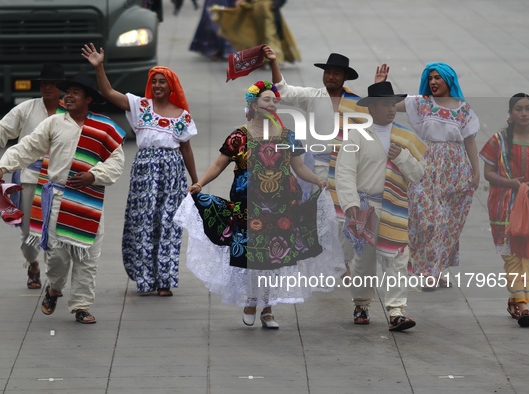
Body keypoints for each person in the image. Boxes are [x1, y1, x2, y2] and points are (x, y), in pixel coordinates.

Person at [174, 80, 345, 329]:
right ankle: (251, 301)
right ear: (253, 104)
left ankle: (268, 309)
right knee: (252, 257)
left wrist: (318, 179)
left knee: (274, 257)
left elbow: (298, 167)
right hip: (247, 206)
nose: (272, 104)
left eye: (275, 101)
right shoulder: (239, 136)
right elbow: (218, 165)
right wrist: (199, 183)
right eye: (267, 100)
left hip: (280, 206)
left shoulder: (287, 136)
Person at [0, 73, 126, 324]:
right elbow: (28, 146)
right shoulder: (54, 123)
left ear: (88, 99)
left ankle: (81, 306)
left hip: (89, 200)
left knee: (87, 256)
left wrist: (94, 175)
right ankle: (54, 288)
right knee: (57, 257)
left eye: (75, 92)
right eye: (68, 92)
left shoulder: (105, 128)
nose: (69, 96)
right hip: (56, 198)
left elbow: (116, 163)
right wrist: (4, 165)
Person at [82, 43, 198, 297]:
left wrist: (196, 182)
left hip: (172, 171)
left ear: (171, 87)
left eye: (162, 82)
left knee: (169, 223)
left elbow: (186, 150)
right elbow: (109, 92)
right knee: (143, 221)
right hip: (145, 170)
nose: (157, 86)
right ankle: (145, 278)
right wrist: (99, 67)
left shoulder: (182, 116)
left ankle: (164, 280)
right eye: (153, 81)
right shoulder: (140, 106)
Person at [265, 46, 386, 277]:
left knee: (343, 217)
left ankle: (342, 261)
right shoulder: (313, 96)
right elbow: (283, 91)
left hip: (347, 168)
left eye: (336, 73)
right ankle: (325, 260)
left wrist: (378, 86)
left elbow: (376, 120)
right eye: (328, 72)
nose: (330, 76)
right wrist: (273, 62)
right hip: (317, 167)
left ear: (344, 78)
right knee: (320, 215)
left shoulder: (356, 103)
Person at [336, 82, 427, 330]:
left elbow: (419, 175)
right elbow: (344, 172)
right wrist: (351, 203)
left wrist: (403, 157)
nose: (390, 109)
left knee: (397, 258)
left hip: (395, 207)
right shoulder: (356, 135)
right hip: (366, 206)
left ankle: (397, 311)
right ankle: (361, 304)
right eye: (385, 104)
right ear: (372, 108)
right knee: (363, 260)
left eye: (392, 104)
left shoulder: (405, 138)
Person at [0, 63, 66, 290]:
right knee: (29, 232)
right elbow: (2, 132)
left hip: (59, 179)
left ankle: (54, 280)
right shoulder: (27, 109)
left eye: (53, 84)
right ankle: (32, 263)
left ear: (61, 87)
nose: (48, 88)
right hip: (30, 176)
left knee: (56, 234)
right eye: (44, 84)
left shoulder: (70, 111)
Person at [385, 62, 480, 289]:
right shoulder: (422, 103)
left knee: (447, 223)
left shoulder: (463, 109)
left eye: (438, 78)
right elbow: (389, 106)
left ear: (449, 80)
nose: (433, 82)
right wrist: (380, 87)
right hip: (427, 165)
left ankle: (434, 271)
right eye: (430, 78)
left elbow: (469, 141)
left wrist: (476, 172)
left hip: (455, 170)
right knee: (427, 219)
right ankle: (426, 268)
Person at [479, 93, 529, 328]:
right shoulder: (499, 140)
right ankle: (523, 304)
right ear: (510, 114)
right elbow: (488, 173)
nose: (524, 113)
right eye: (518, 109)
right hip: (505, 205)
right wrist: (512, 184)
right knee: (513, 256)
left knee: (527, 255)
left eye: (528, 108)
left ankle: (515, 301)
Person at [211, 0, 300, 65]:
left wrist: (275, 5)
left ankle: (273, 58)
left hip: (268, 10)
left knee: (269, 34)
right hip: (255, 10)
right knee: (258, 35)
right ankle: (264, 58)